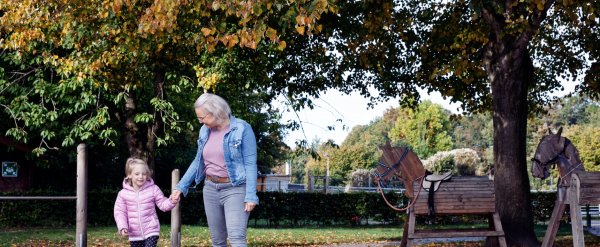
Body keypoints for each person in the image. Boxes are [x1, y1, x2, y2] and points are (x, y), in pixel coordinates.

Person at [170, 93, 258, 247]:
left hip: (235, 188)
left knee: (237, 237)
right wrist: (181, 186)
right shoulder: (205, 131)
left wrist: (251, 195)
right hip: (210, 188)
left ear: (216, 112)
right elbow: (199, 161)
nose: (200, 121)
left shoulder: (242, 128)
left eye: (202, 117)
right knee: (217, 241)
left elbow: (251, 163)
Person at [114, 158, 178, 247]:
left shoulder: (153, 189)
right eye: (137, 174)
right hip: (134, 233)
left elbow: (163, 204)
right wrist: (122, 226)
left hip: (151, 230)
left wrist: (171, 201)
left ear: (147, 175)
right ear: (129, 175)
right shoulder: (123, 194)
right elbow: (120, 212)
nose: (141, 176)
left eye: (144, 174)